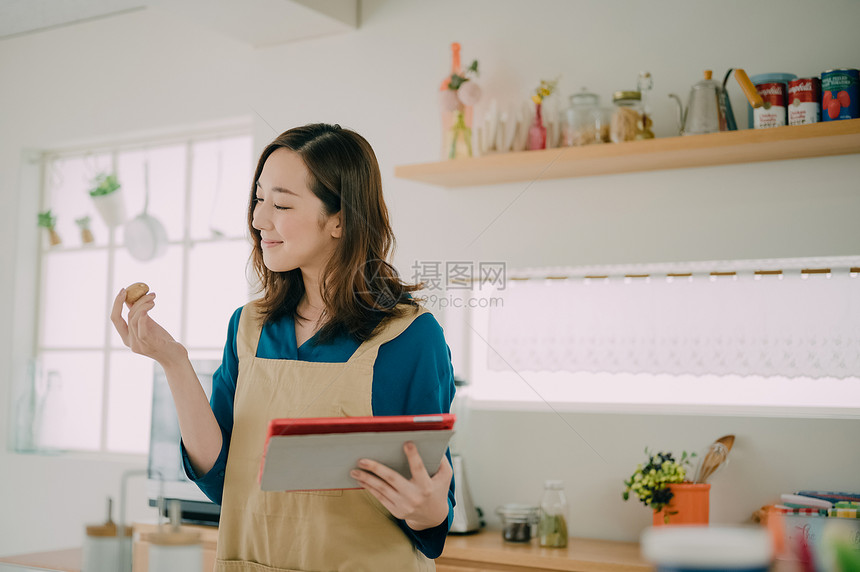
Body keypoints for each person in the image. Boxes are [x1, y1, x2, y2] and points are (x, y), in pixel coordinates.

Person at [111, 123, 456, 571]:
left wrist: (425, 508)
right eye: (258, 199)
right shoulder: (249, 326)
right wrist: (173, 362)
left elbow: (432, 522)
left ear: (340, 219)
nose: (258, 220)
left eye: (280, 204)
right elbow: (222, 479)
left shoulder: (409, 337)